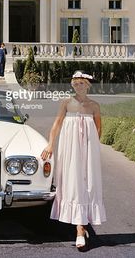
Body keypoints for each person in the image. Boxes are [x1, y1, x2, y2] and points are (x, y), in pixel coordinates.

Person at [41, 71, 106, 249]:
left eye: (81, 83)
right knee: (73, 183)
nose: (78, 86)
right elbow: (57, 124)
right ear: (72, 85)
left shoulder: (94, 106)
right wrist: (50, 145)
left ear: (88, 85)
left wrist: (90, 148)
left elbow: (98, 129)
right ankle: (79, 227)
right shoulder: (67, 103)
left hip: (88, 149)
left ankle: (80, 228)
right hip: (69, 148)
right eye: (75, 83)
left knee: (88, 183)